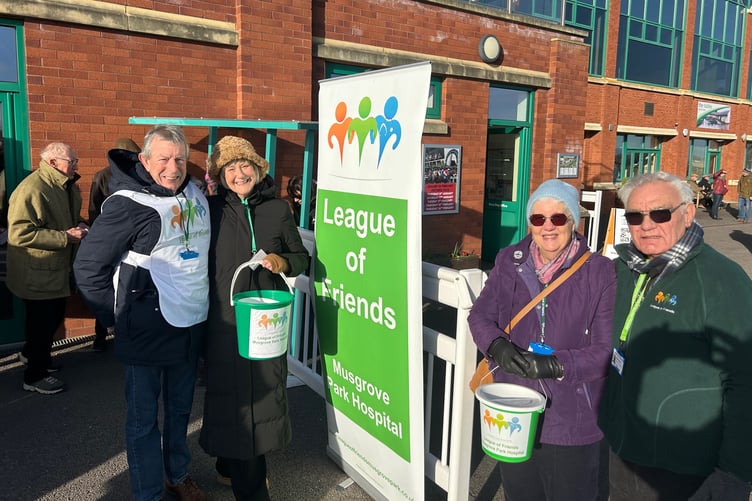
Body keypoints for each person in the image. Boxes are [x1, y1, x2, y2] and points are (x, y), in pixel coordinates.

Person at [74, 125, 210, 501]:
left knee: (181, 410)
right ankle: (148, 492)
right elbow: (88, 268)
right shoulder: (127, 204)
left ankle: (177, 475)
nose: (173, 167)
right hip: (146, 330)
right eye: (163, 158)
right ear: (144, 160)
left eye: (179, 158)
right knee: (143, 421)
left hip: (189, 324)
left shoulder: (195, 192)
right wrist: (116, 318)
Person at [598, 172, 752, 501]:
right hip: (623, 451)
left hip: (685, 467)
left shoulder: (722, 280)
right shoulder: (624, 269)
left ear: (688, 213)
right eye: (635, 215)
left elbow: (745, 382)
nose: (647, 224)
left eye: (660, 213)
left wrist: (734, 474)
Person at [468, 179, 616, 501]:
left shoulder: (600, 272)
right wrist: (496, 345)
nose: (548, 227)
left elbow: (605, 351)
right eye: (538, 219)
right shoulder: (509, 259)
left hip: (571, 419)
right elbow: (479, 316)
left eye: (558, 218)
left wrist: (556, 364)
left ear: (573, 222)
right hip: (514, 409)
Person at [199, 136, 310, 500]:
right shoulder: (209, 209)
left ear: (257, 168)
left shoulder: (277, 210)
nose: (238, 173)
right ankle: (231, 466)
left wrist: (283, 262)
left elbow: (302, 258)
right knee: (229, 392)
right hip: (222, 321)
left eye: (244, 165)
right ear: (220, 175)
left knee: (259, 393)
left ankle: (244, 476)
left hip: (264, 320)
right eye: (230, 168)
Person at [6, 142, 88, 394]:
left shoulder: (66, 186)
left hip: (55, 271)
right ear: (53, 163)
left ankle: (32, 355)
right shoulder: (32, 188)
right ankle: (34, 376)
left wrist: (82, 225)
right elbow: (19, 233)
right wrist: (66, 237)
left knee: (48, 319)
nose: (75, 165)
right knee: (43, 322)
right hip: (38, 272)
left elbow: (71, 218)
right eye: (71, 161)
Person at [87, 137, 140, 352]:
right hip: (133, 239)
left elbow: (93, 208)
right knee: (127, 286)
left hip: (108, 238)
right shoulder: (138, 174)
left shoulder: (101, 175)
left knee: (108, 286)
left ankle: (100, 337)